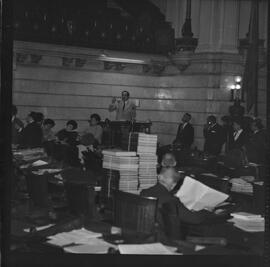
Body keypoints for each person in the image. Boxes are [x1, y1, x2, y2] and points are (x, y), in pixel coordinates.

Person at [140, 167, 216, 226]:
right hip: (166, 239)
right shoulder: (170, 200)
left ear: (159, 177)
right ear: (174, 184)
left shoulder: (144, 193)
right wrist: (206, 210)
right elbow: (195, 219)